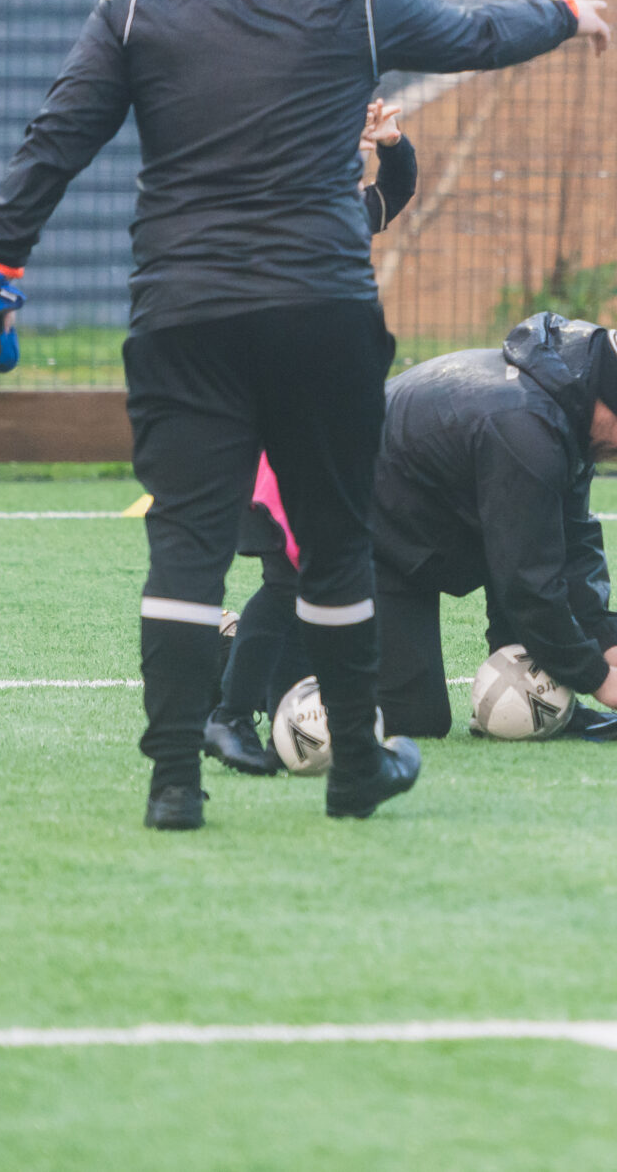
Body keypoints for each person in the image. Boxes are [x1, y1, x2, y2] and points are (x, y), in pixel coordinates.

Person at [0, 0, 613, 830]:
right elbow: (478, 35)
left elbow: (56, 138)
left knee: (186, 549)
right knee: (334, 546)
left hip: (183, 316)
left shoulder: (139, 1)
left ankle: (174, 782)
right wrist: (566, 14)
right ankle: (357, 767)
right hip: (321, 313)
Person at [363, 311, 617, 740]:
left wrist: (605, 641)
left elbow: (569, 537)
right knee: (410, 722)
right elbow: (527, 580)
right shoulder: (527, 429)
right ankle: (303, 656)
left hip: (427, 520)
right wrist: (598, 677)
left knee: (526, 541)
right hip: (362, 532)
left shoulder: (569, 402)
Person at [202, 98, 417, 774]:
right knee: (293, 577)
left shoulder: (343, 214)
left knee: (308, 580)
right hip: (284, 442)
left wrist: (394, 143)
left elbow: (395, 191)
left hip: (333, 429)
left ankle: (245, 694)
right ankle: (228, 714)